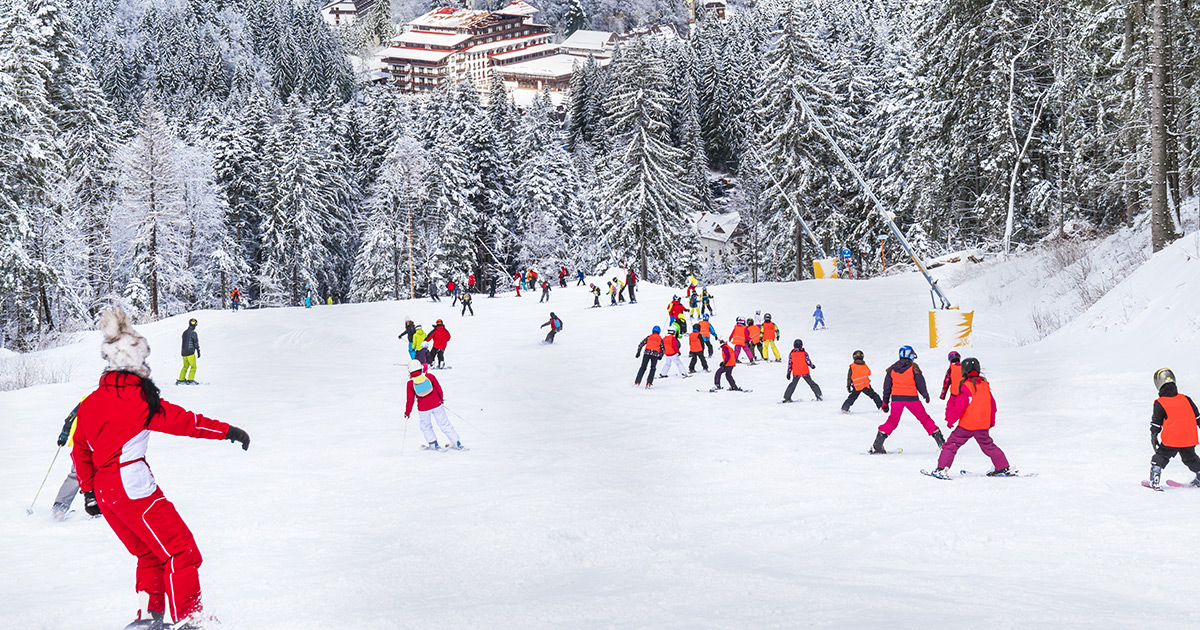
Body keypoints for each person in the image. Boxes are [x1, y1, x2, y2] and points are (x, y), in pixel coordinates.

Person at [74, 308, 250, 629]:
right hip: (134, 485)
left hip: (106, 492)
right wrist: (228, 431)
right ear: (137, 362)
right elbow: (188, 423)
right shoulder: (141, 399)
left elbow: (80, 450)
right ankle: (190, 619)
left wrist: (88, 491)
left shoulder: (90, 402)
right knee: (181, 551)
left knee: (149, 555)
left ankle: (147, 617)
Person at [928, 357, 1013, 478]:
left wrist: (951, 420)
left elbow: (959, 407)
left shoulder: (965, 386)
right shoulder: (985, 386)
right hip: (982, 426)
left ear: (964, 371)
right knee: (988, 446)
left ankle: (941, 469)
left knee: (951, 445)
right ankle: (1002, 467)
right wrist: (991, 421)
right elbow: (992, 406)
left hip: (966, 426)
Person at [870, 346, 945, 454]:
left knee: (892, 421)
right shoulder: (914, 368)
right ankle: (941, 442)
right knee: (924, 419)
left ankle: (878, 444)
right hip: (912, 399)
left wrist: (885, 402)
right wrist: (925, 395)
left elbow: (887, 387)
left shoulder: (891, 369)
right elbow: (921, 383)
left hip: (896, 400)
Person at [1146, 368, 1200, 489]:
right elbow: (1198, 417)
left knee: (1161, 456)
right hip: (1189, 437)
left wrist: (1154, 436)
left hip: (1173, 438)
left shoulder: (1160, 402)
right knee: (1190, 458)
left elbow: (1156, 423)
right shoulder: (1186, 398)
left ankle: (1154, 479)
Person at [404, 360, 462, 451]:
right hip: (437, 404)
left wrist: (407, 413)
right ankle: (456, 443)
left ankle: (433, 443)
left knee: (426, 426)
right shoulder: (430, 377)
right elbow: (439, 389)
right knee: (444, 423)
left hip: (423, 409)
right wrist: (440, 399)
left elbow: (410, 400)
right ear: (420, 368)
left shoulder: (410, 384)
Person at [51, 402, 83, 521]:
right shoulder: (108, 399)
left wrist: (64, 435)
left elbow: (70, 419)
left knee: (78, 474)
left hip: (81, 442)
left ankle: (60, 506)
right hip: (93, 443)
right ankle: (60, 507)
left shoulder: (87, 400)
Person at [940, 351, 964, 425]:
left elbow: (946, 383)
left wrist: (943, 395)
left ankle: (949, 420)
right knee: (962, 407)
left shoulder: (950, 369)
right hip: (963, 394)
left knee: (950, 408)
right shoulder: (964, 368)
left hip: (954, 395)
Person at [176, 318, 200, 385]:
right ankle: (190, 380)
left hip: (183, 352)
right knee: (193, 366)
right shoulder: (194, 333)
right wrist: (198, 350)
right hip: (190, 352)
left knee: (185, 366)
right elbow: (196, 343)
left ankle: (181, 379)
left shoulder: (184, 332)